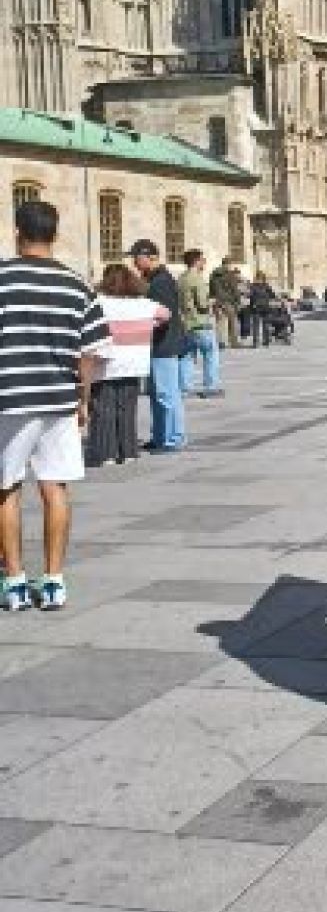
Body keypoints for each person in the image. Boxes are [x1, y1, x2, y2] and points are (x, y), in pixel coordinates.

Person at [0, 201, 110, 611]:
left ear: (17, 232)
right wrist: (83, 398)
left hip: (9, 398)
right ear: (55, 234)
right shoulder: (77, 285)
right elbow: (90, 352)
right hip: (59, 399)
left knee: (6, 488)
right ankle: (53, 581)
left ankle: (14, 581)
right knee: (55, 487)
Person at [87, 264, 168, 468]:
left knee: (103, 408)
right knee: (127, 408)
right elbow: (165, 314)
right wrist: (149, 325)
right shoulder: (143, 304)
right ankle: (128, 451)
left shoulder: (99, 302)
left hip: (106, 362)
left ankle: (106, 453)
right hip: (134, 362)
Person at [131, 239, 187, 452]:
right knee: (156, 394)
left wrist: (141, 325)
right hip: (156, 345)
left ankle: (173, 437)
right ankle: (160, 435)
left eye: (137, 257)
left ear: (150, 257)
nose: (134, 262)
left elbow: (164, 315)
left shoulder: (161, 281)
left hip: (164, 344)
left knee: (166, 394)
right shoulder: (154, 279)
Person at [178, 248, 222, 398]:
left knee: (187, 356)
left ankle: (185, 387)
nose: (204, 263)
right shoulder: (197, 278)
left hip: (186, 323)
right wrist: (212, 301)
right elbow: (202, 303)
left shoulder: (181, 278)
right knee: (210, 354)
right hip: (201, 322)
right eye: (203, 260)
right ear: (196, 261)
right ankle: (211, 386)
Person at [209, 257, 243, 350]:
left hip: (217, 301)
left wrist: (213, 298)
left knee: (220, 321)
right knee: (233, 321)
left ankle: (220, 342)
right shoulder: (229, 275)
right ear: (228, 264)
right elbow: (234, 289)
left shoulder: (214, 274)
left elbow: (211, 288)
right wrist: (238, 301)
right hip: (228, 301)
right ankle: (234, 341)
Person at [248, 271, 276, 348]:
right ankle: (260, 342)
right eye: (258, 278)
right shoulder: (263, 286)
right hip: (260, 307)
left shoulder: (257, 286)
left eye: (259, 278)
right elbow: (272, 295)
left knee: (262, 325)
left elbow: (272, 295)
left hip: (261, 307)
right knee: (258, 325)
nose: (259, 280)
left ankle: (262, 341)